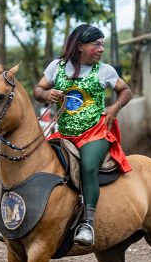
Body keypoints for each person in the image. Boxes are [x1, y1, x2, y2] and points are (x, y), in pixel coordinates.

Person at [33, 23, 132, 247]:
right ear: (80, 46)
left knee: (88, 166)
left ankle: (87, 223)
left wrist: (115, 107)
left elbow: (125, 90)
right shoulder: (56, 67)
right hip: (64, 133)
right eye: (96, 44)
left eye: (102, 45)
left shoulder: (105, 70)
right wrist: (48, 93)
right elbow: (38, 90)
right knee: (38, 163)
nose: (101, 49)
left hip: (94, 133)